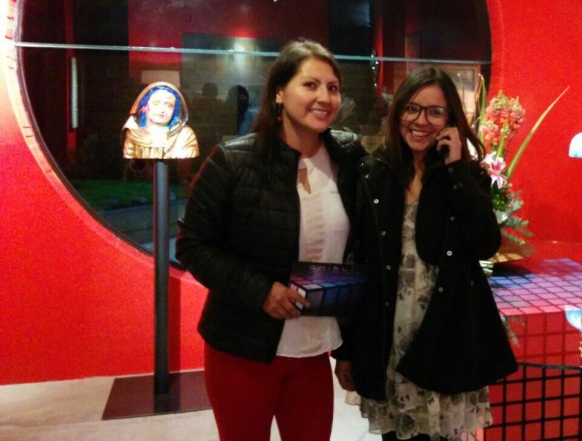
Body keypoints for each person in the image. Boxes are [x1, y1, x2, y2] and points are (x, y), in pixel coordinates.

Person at [175, 39, 364, 441]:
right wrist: (261, 291)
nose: (324, 97)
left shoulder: (348, 157)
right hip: (242, 347)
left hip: (315, 348)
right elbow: (192, 245)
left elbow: (358, 249)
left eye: (332, 87)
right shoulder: (233, 161)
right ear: (279, 92)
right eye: (310, 85)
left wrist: (349, 346)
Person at [334, 67, 518, 441]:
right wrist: (346, 349)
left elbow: (485, 244)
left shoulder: (465, 176)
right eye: (412, 108)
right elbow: (358, 264)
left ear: (451, 120)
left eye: (435, 112)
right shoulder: (373, 172)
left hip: (444, 329)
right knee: (396, 435)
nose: (421, 121)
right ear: (398, 110)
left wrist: (457, 170)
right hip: (387, 332)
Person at [122, 81, 199, 160]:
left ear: (175, 109)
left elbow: (185, 164)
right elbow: (131, 163)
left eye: (169, 105)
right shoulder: (134, 134)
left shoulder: (185, 135)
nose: (162, 110)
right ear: (145, 106)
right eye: (156, 103)